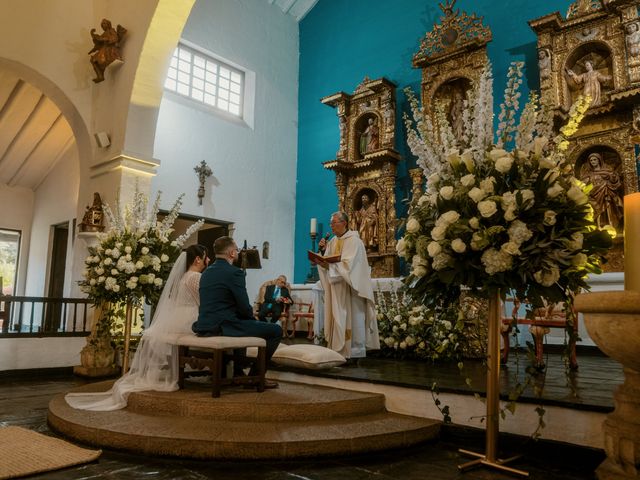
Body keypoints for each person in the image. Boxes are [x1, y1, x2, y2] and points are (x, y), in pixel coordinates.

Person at [65, 244, 210, 411]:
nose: (208, 260)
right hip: (189, 318)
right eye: (206, 256)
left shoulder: (183, 277)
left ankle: (179, 371)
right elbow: (203, 302)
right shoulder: (195, 277)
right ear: (198, 259)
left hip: (177, 317)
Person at [193, 236, 282, 387]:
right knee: (275, 330)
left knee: (243, 322)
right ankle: (255, 376)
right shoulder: (234, 272)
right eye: (237, 250)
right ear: (232, 253)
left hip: (204, 324)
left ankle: (239, 371)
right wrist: (252, 319)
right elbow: (243, 306)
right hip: (223, 325)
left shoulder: (207, 273)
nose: (238, 253)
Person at [315, 212, 380, 360]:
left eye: (334, 223)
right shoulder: (332, 241)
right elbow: (328, 262)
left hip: (351, 289)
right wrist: (323, 252)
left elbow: (349, 267)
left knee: (353, 319)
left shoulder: (354, 242)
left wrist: (329, 265)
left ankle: (354, 352)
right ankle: (338, 351)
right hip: (337, 289)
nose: (331, 226)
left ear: (344, 223)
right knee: (339, 319)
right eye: (331, 223)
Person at [579, 152, 624, 230]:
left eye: (594, 160)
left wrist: (611, 177)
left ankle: (611, 226)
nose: (593, 162)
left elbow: (615, 181)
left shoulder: (607, 171)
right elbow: (583, 184)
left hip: (606, 192)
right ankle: (599, 227)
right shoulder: (588, 173)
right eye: (591, 160)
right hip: (594, 196)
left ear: (599, 160)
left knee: (608, 208)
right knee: (596, 211)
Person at [89, 18, 127, 83]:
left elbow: (115, 38)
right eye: (102, 25)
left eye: (104, 24)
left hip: (110, 49)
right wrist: (94, 36)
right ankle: (100, 75)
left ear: (108, 24)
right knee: (93, 60)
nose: (103, 25)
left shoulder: (111, 31)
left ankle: (101, 74)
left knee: (98, 59)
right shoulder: (104, 33)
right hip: (104, 49)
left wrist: (105, 39)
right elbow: (99, 42)